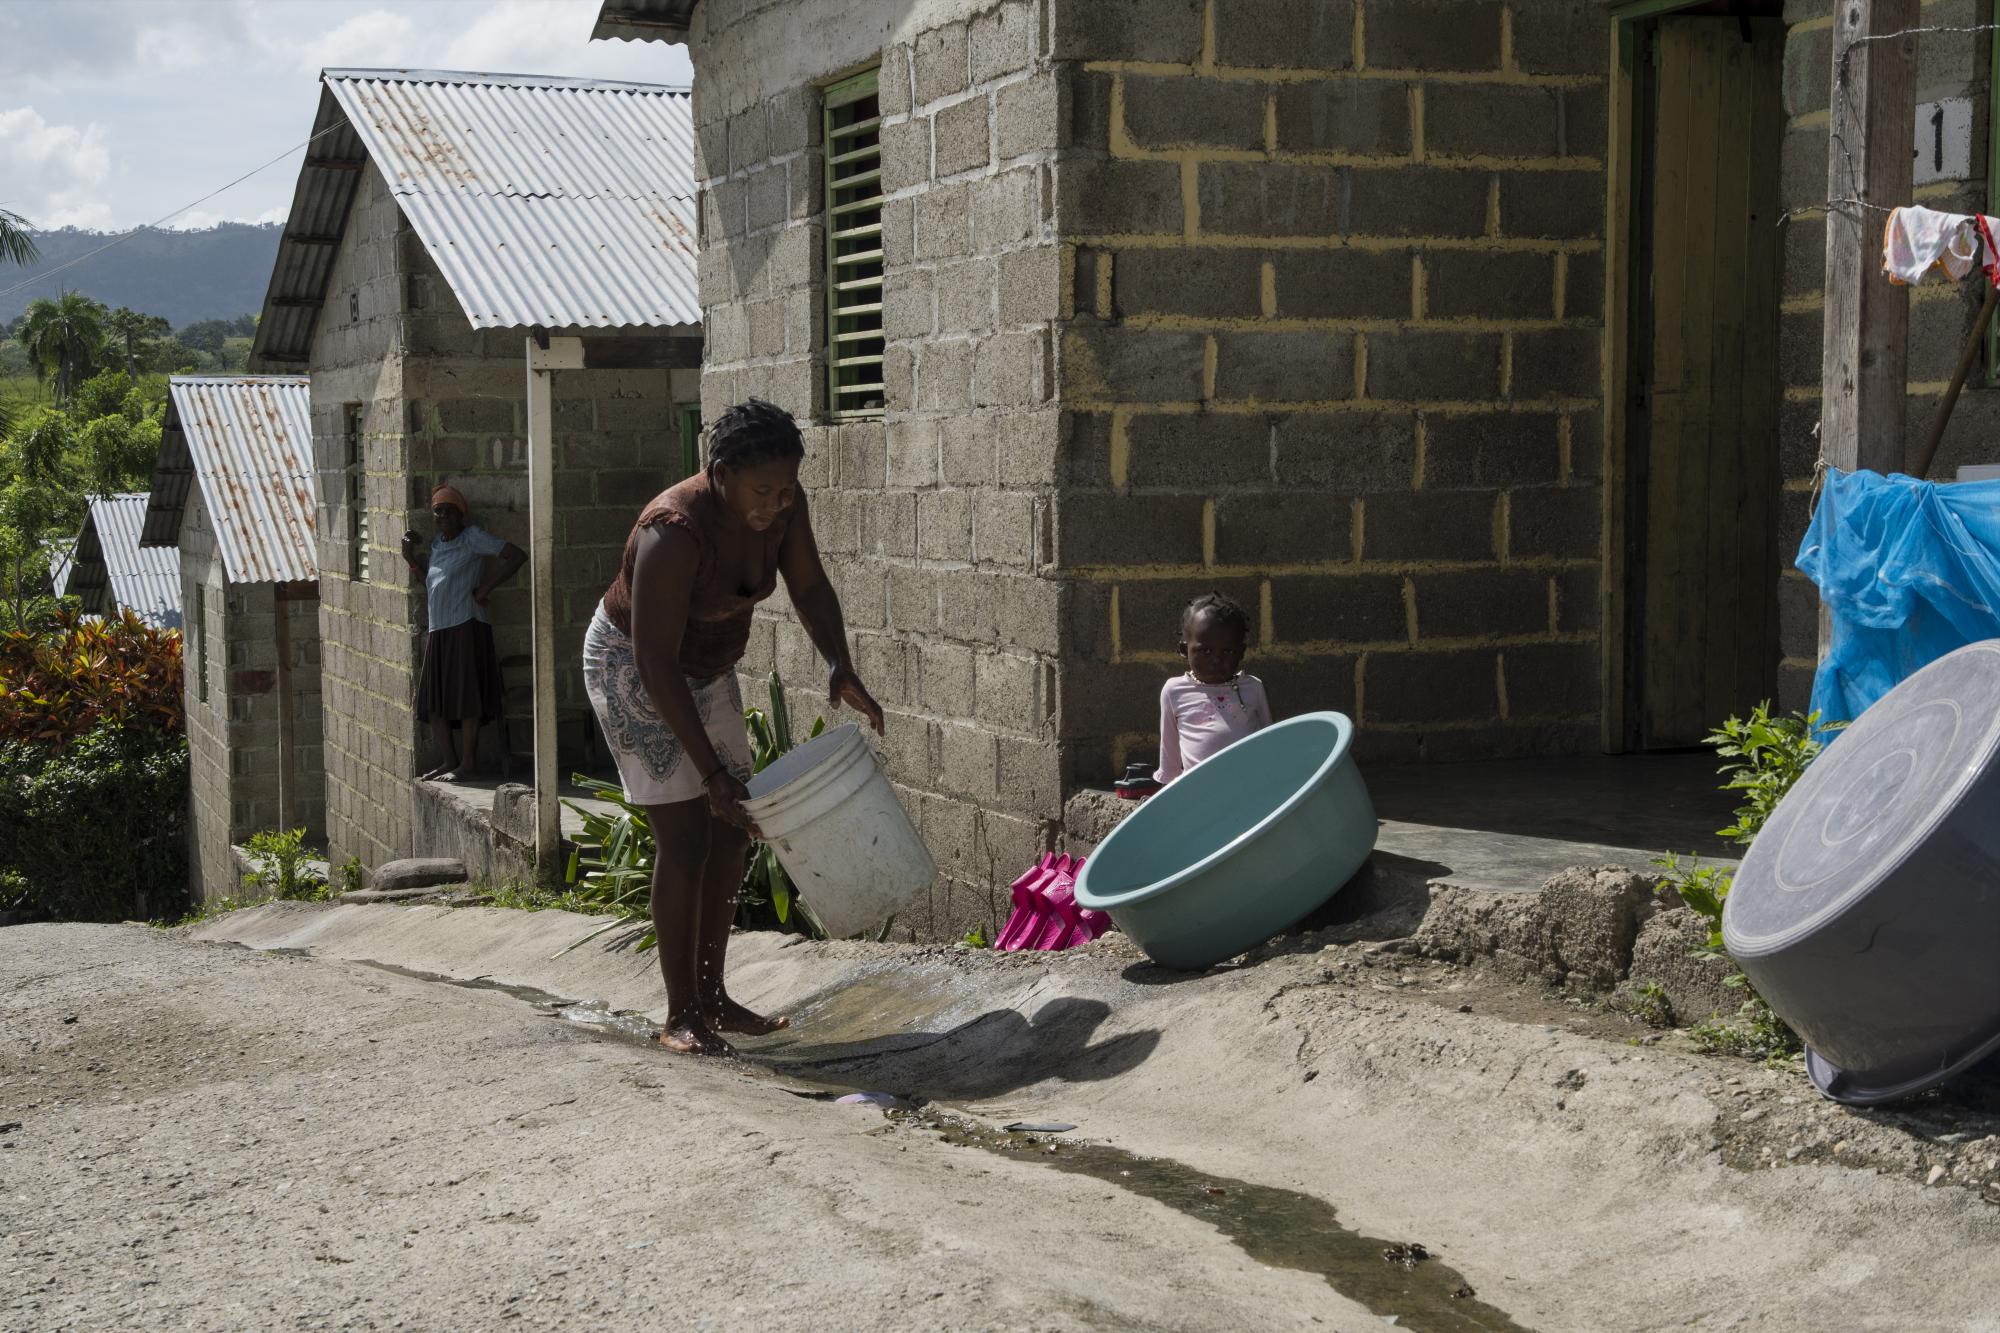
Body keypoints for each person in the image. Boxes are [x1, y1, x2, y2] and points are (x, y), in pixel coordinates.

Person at [584, 399, 883, 1057]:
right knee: (686, 834)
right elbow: (655, 661)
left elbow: (808, 585)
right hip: (634, 668)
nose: (775, 503)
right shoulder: (673, 531)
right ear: (718, 473)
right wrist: (711, 773)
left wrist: (839, 662)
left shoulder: (783, 508)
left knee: (733, 829)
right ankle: (681, 1012)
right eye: (761, 490)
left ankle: (715, 997)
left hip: (707, 664)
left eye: (785, 489)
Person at [401, 485, 526, 782]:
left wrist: (484, 589)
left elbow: (516, 555)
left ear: (461, 515)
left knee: (467, 698)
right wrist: (409, 557)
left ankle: (468, 764)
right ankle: (449, 761)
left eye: (449, 511)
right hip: (440, 630)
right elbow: (431, 586)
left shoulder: (472, 539)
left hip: (466, 625)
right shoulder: (438, 545)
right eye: (438, 511)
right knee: (434, 703)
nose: (442, 515)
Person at [1156, 591, 1272, 785]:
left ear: (1241, 653)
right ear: (1184, 650)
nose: (1217, 659)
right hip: (1199, 795)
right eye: (1206, 650)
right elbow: (1169, 759)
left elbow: (1269, 744)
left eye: (1227, 651)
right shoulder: (1174, 691)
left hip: (1248, 789)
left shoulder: (1253, 688)